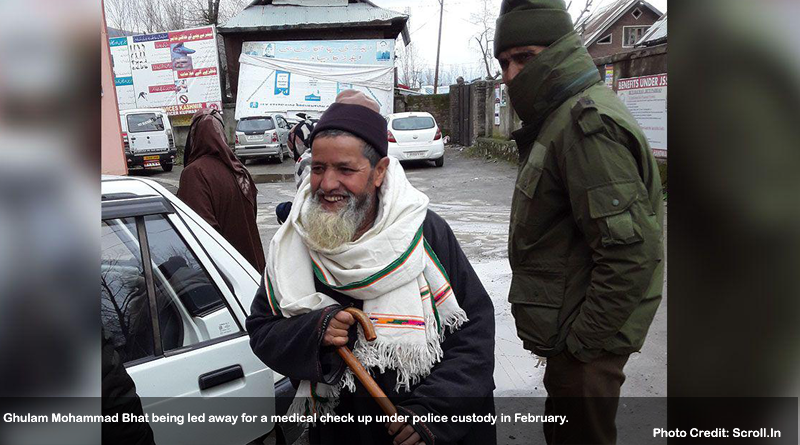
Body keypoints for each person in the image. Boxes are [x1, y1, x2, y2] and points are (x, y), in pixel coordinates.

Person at [247, 91, 496, 445]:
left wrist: (431, 415)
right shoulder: (295, 241)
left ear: (379, 172)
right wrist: (317, 330)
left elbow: (474, 335)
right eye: (319, 168)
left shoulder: (423, 232)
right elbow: (262, 330)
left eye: (345, 169)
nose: (327, 184)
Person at [493, 1, 664, 444]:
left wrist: (582, 345)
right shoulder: (561, 118)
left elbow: (630, 254)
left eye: (525, 58)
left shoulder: (585, 124)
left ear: (560, 50)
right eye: (503, 61)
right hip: (575, 336)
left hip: (588, 345)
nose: (511, 75)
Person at [177, 109, 266, 272]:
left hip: (226, 277)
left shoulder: (195, 173)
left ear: (194, 137)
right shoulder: (239, 170)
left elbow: (201, 233)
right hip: (254, 271)